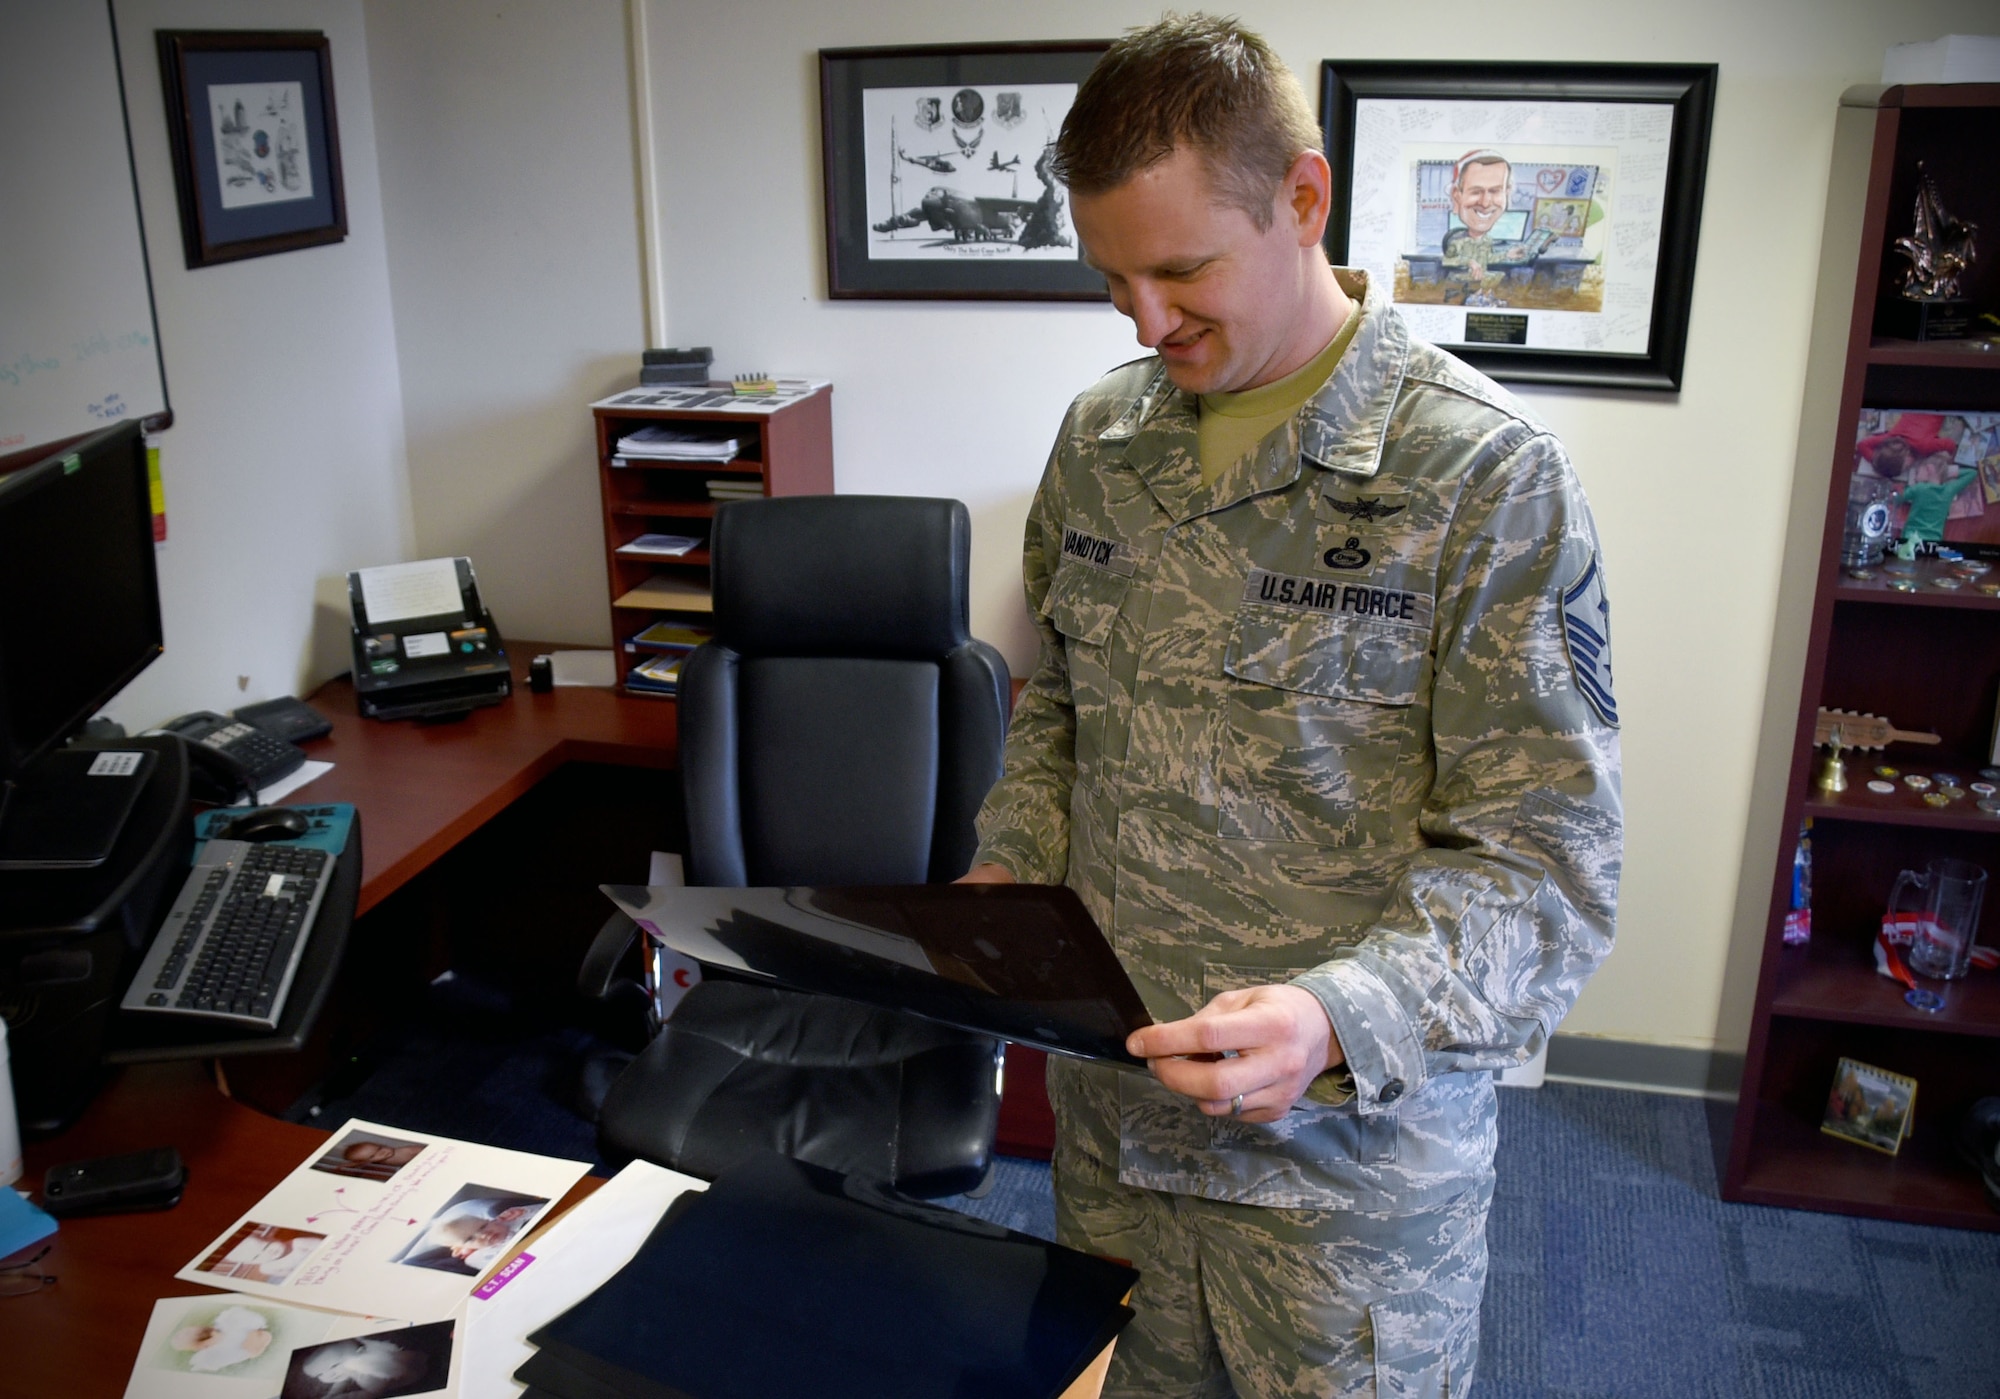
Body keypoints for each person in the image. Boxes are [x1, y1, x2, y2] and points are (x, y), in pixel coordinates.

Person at [962, 16, 1621, 1396]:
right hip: (1118, 1144)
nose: (1148, 321)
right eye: (1112, 281)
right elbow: (1063, 708)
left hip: (1348, 1194)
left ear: (1304, 199)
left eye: (1184, 269)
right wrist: (1007, 867)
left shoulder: (1482, 477)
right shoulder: (1102, 442)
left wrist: (1338, 1016)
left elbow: (1547, 865)